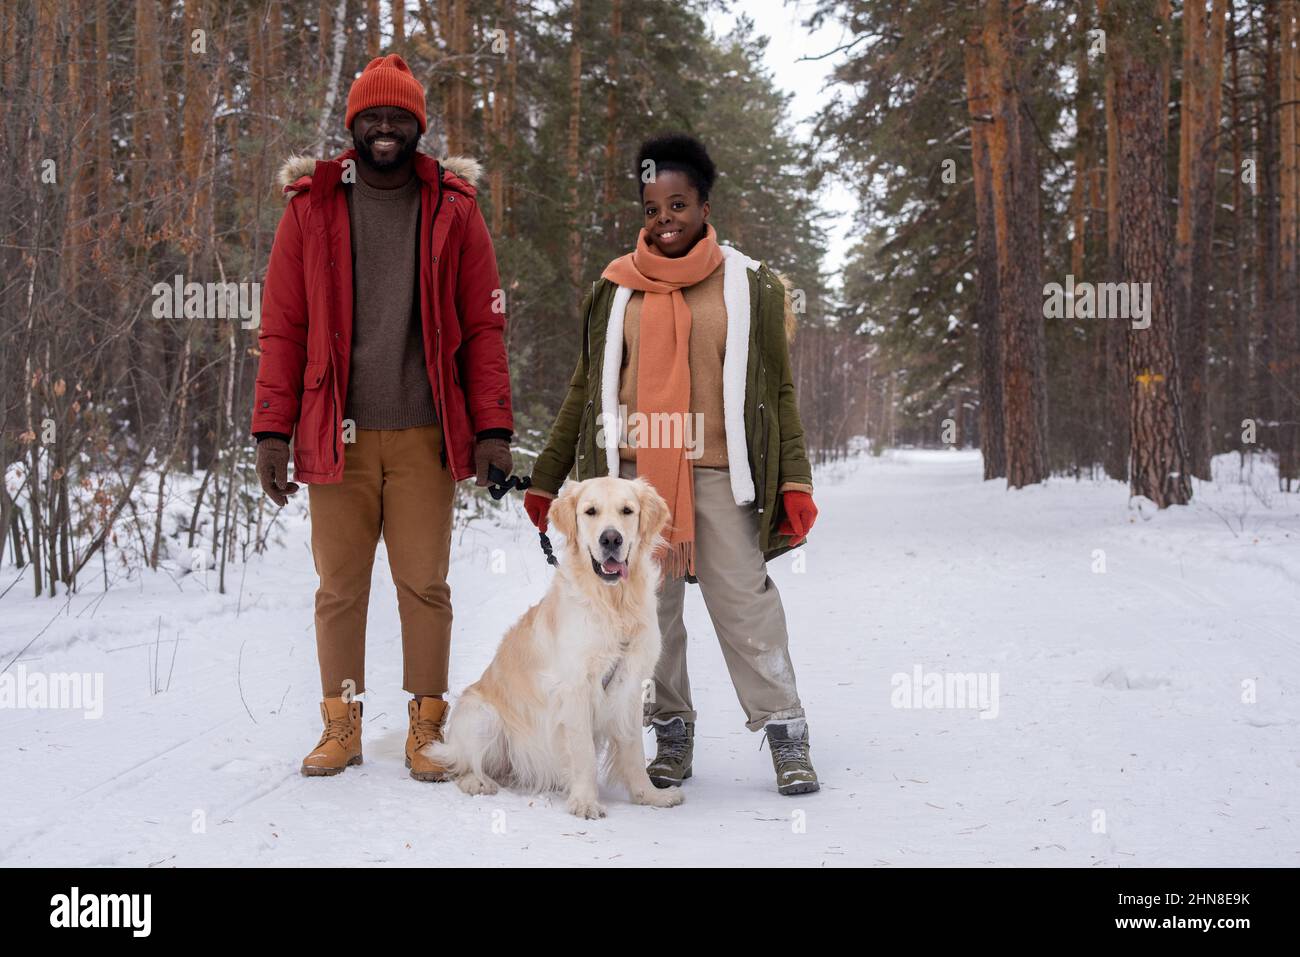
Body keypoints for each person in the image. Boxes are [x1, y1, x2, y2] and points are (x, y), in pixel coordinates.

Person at [524, 133, 821, 795]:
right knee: (646, 612)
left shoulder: (750, 286)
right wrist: (548, 479)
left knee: (745, 603)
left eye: (679, 204)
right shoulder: (615, 289)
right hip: (631, 479)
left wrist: (795, 478)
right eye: (653, 206)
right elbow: (584, 385)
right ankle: (671, 730)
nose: (665, 219)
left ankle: (786, 731)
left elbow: (777, 390)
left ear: (705, 204)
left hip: (719, 469)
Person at [250, 54, 514, 781]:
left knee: (424, 584)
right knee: (340, 586)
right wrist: (272, 431)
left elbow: (484, 327)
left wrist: (493, 429)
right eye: (375, 116)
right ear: (354, 124)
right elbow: (282, 328)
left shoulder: (455, 209)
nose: (387, 127)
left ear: (418, 126)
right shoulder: (310, 208)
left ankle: (426, 725)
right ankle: (343, 723)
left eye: (401, 116)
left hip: (426, 433)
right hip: (336, 431)